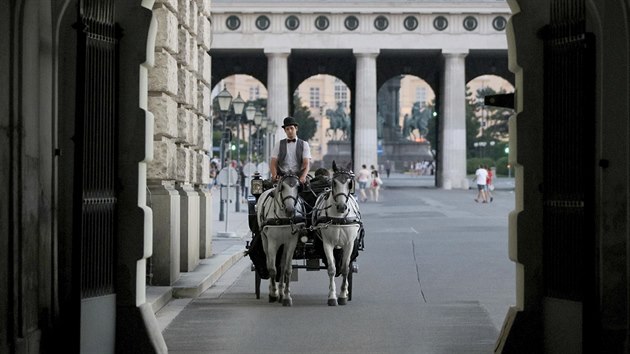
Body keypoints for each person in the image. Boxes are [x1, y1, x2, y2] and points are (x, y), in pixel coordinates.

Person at [270, 116, 311, 184]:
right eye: (287, 129)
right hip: (281, 178)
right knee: (270, 191)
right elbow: (273, 163)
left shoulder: (304, 144)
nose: (290, 131)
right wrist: (274, 175)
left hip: (298, 178)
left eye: (291, 128)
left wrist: (303, 177)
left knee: (309, 191)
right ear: (285, 130)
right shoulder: (278, 144)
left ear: (296, 128)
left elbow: (306, 164)